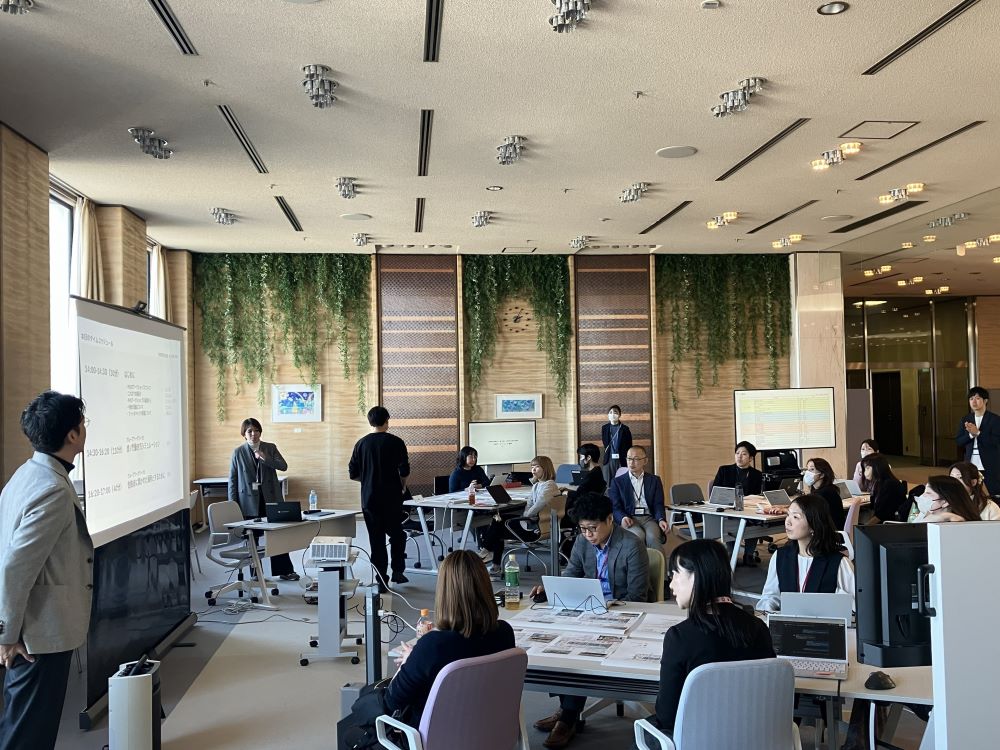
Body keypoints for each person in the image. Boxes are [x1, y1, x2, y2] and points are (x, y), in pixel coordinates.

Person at [336, 550, 514, 749]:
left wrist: (409, 663)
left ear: (445, 593)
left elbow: (391, 703)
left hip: (431, 739)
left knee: (350, 729)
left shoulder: (433, 646)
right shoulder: (504, 633)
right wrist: (416, 659)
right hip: (488, 734)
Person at [0, 392, 94, 750]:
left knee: (24, 725)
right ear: (72, 434)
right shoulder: (52, 489)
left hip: (33, 628)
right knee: (29, 733)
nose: (85, 430)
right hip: (38, 633)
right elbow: (15, 566)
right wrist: (7, 634)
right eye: (83, 424)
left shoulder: (27, 474)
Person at [531, 493, 648, 749]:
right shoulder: (582, 543)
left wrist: (607, 608)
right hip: (586, 610)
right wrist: (550, 589)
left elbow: (637, 596)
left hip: (619, 614)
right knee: (556, 643)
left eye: (592, 528)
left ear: (609, 519)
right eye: (583, 529)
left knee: (577, 647)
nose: (587, 534)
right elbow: (572, 574)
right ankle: (567, 709)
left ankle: (568, 718)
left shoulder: (631, 545)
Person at [641, 539, 775, 740]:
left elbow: (667, 717)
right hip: (753, 738)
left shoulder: (680, 637)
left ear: (697, 576)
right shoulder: (759, 628)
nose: (671, 584)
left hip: (698, 740)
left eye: (676, 574)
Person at [756, 494, 855, 613]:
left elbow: (853, 607)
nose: (788, 522)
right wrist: (767, 609)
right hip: (788, 623)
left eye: (795, 517)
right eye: (788, 515)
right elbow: (770, 596)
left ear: (813, 525)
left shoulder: (839, 563)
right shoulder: (780, 556)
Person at [349, 406, 411, 590]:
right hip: (392, 498)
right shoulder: (396, 442)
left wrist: (368, 480)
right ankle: (398, 571)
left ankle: (381, 579)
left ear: (370, 421)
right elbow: (404, 470)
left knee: (376, 541)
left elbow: (353, 473)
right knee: (398, 534)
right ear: (386, 421)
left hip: (369, 499)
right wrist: (402, 485)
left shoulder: (361, 444)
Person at [228, 417, 297, 580]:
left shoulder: (270, 448)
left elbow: (283, 466)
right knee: (251, 538)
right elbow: (233, 480)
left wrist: (265, 458)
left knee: (277, 535)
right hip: (248, 501)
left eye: (257, 430)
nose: (254, 434)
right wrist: (233, 506)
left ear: (260, 432)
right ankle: (255, 574)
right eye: (250, 431)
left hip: (270, 498)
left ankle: (285, 571)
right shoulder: (238, 452)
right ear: (244, 434)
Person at [483, 456, 565, 572]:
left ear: (545, 468)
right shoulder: (537, 485)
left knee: (498, 525)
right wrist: (526, 515)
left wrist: (525, 517)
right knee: (499, 521)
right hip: (534, 523)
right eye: (532, 467)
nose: (533, 470)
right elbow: (529, 504)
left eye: (537, 467)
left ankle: (489, 553)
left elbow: (538, 505)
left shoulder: (549, 485)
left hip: (536, 528)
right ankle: (490, 554)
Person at [608, 446, 668, 549]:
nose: (631, 463)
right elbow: (615, 506)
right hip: (629, 518)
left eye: (636, 459)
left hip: (649, 518)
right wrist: (623, 517)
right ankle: (639, 560)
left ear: (645, 461)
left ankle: (658, 560)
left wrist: (661, 519)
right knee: (638, 536)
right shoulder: (617, 482)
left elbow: (658, 504)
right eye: (629, 458)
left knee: (653, 537)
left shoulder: (654, 480)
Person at [956, 386, 1000, 497]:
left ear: (985, 401)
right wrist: (971, 435)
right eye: (971, 399)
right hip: (970, 463)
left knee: (992, 494)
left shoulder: (995, 419)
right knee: (970, 494)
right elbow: (959, 441)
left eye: (977, 398)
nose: (974, 402)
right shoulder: (965, 419)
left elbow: (996, 442)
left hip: (989, 462)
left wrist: (979, 433)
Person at [860, 453, 908, 523]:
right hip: (885, 522)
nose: (865, 472)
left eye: (867, 468)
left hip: (889, 525)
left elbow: (880, 516)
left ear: (877, 467)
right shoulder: (879, 483)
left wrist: (863, 528)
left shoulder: (889, 485)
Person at [912, 476, 982, 523]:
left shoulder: (958, 523)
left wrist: (946, 516)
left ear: (945, 502)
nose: (922, 496)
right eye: (924, 492)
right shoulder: (924, 515)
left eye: (928, 493)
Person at [801, 456, 846, 528]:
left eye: (812, 469)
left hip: (829, 532)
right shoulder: (828, 489)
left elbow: (806, 510)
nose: (808, 473)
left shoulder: (824, 493)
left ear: (822, 474)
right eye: (807, 470)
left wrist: (787, 510)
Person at [600, 405, 632, 484]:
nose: (613, 414)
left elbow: (629, 446)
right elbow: (605, 443)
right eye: (610, 412)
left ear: (619, 415)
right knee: (607, 482)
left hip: (621, 459)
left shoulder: (625, 429)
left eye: (615, 412)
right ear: (608, 415)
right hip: (609, 458)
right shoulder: (605, 428)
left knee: (621, 482)